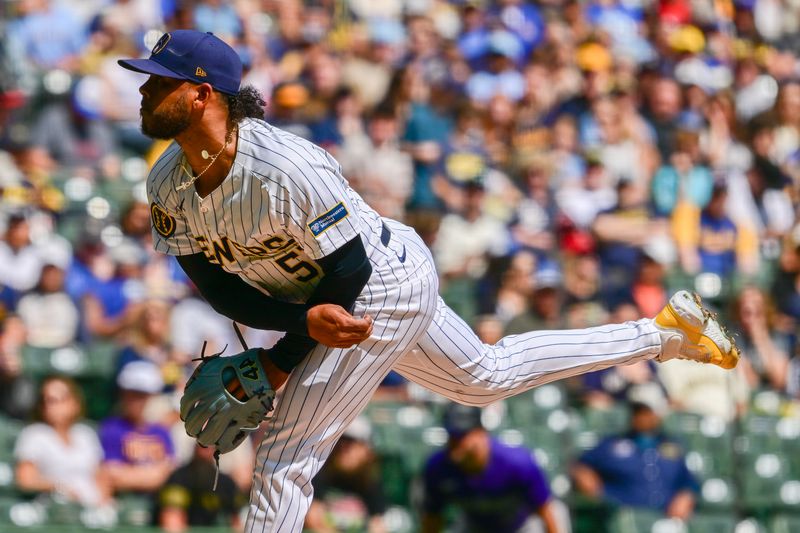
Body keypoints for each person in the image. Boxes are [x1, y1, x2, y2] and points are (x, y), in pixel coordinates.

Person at [118, 30, 739, 531]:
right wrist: (294, 327)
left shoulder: (286, 165)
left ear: (202, 95)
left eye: (157, 81)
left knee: (284, 452)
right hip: (327, 299)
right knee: (484, 379)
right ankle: (663, 334)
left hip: (381, 281)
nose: (144, 91)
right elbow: (213, 282)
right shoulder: (166, 181)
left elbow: (350, 272)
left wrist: (283, 357)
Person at [421, 403, 569, 533]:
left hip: (522, 526)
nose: (455, 441)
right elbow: (433, 518)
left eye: (462, 435)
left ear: (480, 433)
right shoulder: (438, 468)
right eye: (451, 435)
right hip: (475, 526)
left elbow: (546, 510)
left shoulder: (516, 462)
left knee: (558, 511)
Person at [570, 389, 699, 520]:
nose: (641, 416)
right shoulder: (612, 444)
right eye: (637, 411)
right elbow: (581, 465)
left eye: (646, 411)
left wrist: (685, 497)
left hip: (665, 518)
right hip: (623, 517)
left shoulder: (672, 445)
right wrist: (594, 489)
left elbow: (687, 480)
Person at [14, 375, 112, 507]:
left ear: (75, 403)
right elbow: (26, 480)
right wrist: (61, 488)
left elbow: (100, 475)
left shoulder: (86, 434)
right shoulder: (34, 434)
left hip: (92, 509)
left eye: (58, 399)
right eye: (47, 400)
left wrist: (102, 503)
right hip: (54, 508)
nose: (51, 405)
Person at [99, 360, 175, 495]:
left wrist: (132, 474)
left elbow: (170, 471)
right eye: (131, 394)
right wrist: (155, 476)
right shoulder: (111, 429)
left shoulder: (161, 432)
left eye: (142, 396)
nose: (136, 401)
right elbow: (111, 474)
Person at [158, 442, 245, 533]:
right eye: (203, 445)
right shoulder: (179, 478)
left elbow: (236, 522)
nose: (205, 451)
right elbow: (172, 522)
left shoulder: (225, 482)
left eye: (210, 445)